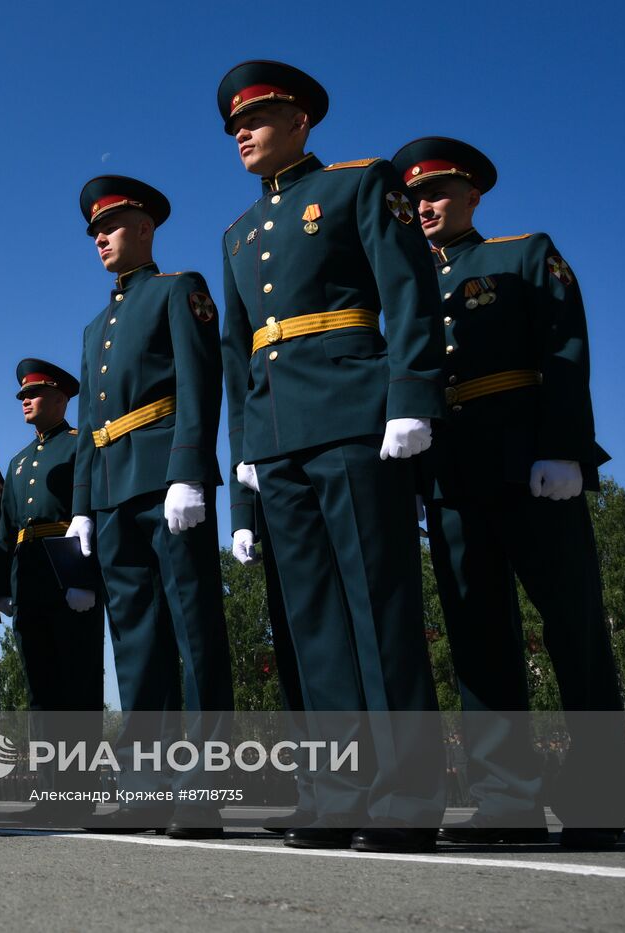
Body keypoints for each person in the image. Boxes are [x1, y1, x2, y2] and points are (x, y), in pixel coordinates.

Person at [217, 61, 446, 852]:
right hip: (276, 438)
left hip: (353, 416)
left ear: (301, 121)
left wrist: (410, 395)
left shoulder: (357, 186)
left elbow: (408, 289)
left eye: (256, 119)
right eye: (234, 127)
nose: (242, 134)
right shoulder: (238, 234)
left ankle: (406, 794)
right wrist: (244, 457)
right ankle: (336, 790)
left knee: (378, 607)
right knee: (309, 621)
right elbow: (238, 357)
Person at [394, 136, 625, 850]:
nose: (425, 207)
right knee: (477, 639)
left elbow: (565, 348)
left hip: (530, 463)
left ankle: (598, 796)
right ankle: (506, 799)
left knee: (573, 627)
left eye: (437, 193)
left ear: (473, 196)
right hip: (453, 473)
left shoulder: (525, 254)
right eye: (415, 198)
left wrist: (563, 447)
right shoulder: (404, 286)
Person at [69, 176, 233, 839]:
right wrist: (82, 505)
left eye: (111, 226)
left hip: (166, 479)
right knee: (135, 642)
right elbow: (89, 424)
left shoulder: (177, 290)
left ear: (145, 228)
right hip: (111, 490)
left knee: (195, 630)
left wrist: (189, 470)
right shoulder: (95, 328)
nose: (101, 239)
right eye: (95, 232)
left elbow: (200, 381)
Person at [0, 358, 103, 823]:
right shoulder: (18, 462)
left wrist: (86, 579)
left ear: (60, 398)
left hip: (68, 575)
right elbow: (5, 533)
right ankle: (49, 788)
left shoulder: (82, 446)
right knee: (40, 692)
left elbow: (92, 516)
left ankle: (79, 791)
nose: (24, 401)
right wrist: (1, 588)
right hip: (30, 581)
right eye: (22, 395)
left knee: (77, 686)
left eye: (33, 394)